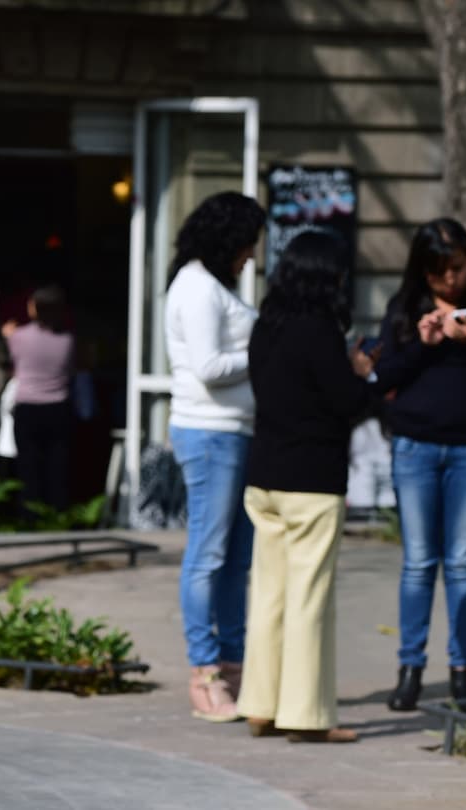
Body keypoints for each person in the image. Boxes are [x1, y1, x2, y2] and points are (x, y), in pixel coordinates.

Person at [238, 230, 372, 743]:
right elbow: (346, 402)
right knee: (309, 598)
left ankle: (260, 706)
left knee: (269, 594)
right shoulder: (319, 332)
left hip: (265, 474)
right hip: (312, 478)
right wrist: (361, 373)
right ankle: (306, 716)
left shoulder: (264, 327)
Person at [374, 218, 466, 712]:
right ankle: (410, 668)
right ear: (422, 271)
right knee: (417, 562)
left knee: (462, 562)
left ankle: (462, 671)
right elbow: (382, 375)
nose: (449, 280)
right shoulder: (406, 309)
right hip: (415, 446)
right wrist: (423, 345)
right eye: (437, 272)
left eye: (457, 268)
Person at [164, 190, 265, 722]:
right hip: (211, 433)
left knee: (235, 559)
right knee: (209, 554)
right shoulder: (199, 287)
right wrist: (264, 345)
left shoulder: (211, 285)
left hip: (233, 432)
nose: (252, 253)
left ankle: (233, 666)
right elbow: (208, 365)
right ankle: (205, 672)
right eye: (248, 241)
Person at [2, 285, 75, 510]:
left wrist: (6, 335)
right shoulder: (67, 340)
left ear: (34, 309)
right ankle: (57, 512)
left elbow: (10, 361)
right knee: (57, 467)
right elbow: (71, 371)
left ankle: (30, 513)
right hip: (58, 408)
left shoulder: (19, 337)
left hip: (28, 408)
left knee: (28, 466)